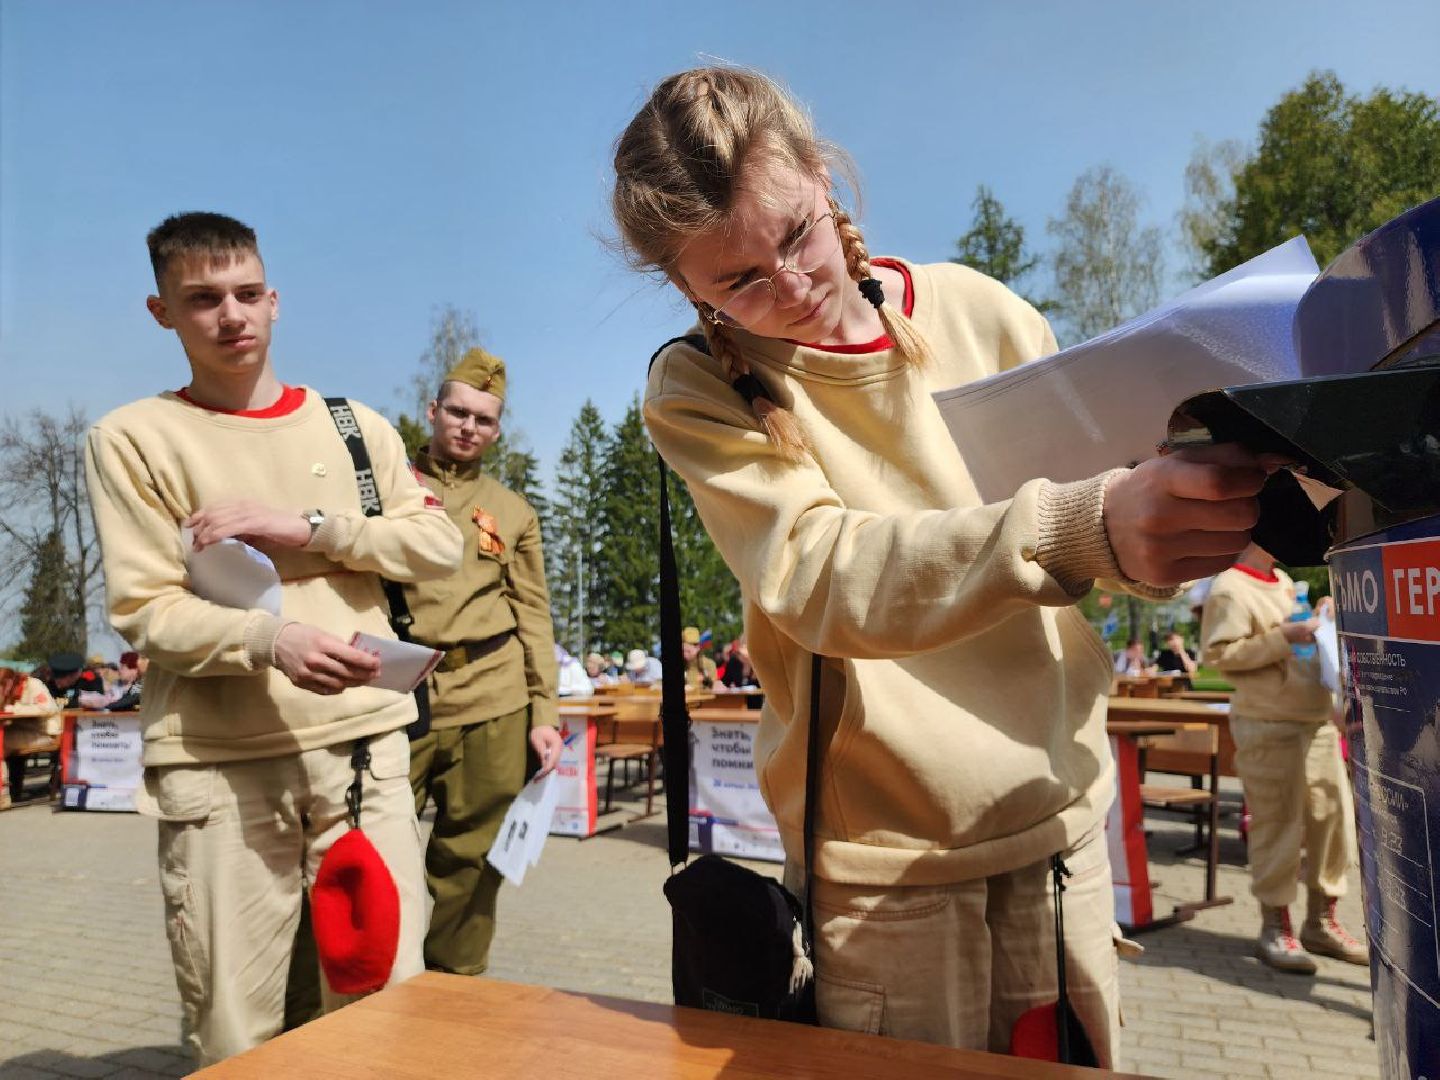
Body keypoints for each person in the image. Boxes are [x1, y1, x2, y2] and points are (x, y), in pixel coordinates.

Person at [612, 66, 1274, 1062]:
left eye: (793, 234)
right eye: (737, 280)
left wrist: (1185, 514)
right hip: (888, 885)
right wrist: (1084, 527)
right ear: (682, 286)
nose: (791, 286)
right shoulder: (697, 386)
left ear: (820, 173)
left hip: (1060, 838)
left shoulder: (978, 313)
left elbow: (1108, 551)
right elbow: (821, 573)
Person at [84, 211, 463, 1066]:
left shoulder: (353, 427)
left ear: (276, 299)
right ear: (161, 312)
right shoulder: (132, 438)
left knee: (383, 1005)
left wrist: (308, 527)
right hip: (221, 764)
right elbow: (146, 609)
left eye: (248, 293)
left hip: (365, 754)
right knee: (233, 1025)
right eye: (203, 298)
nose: (232, 316)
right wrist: (270, 640)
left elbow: (438, 544)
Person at [403, 348, 564, 977]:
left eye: (484, 420)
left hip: (494, 700)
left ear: (498, 429)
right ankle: (367, 991)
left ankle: (449, 991)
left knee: (471, 862)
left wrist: (543, 713)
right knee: (367, 845)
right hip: (399, 694)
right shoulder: (389, 488)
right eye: (458, 412)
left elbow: (533, 614)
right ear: (433, 410)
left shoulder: (513, 510)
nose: (469, 427)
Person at [1200, 543, 1365, 973]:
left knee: (1333, 822)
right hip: (1268, 724)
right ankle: (1275, 926)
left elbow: (1304, 654)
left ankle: (1320, 922)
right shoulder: (1229, 588)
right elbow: (1218, 657)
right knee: (1278, 826)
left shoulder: (1287, 583)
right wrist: (1283, 637)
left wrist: (1323, 619)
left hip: (1314, 722)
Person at [0, 666, 61, 806]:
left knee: (1, 742)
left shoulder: (33, 685)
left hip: (45, 732)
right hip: (21, 730)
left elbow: (47, 708)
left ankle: (3, 795)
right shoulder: (8, 692)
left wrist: (15, 709)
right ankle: (6, 792)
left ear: (9, 682)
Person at [682, 625, 717, 690]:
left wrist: (705, 680)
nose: (685, 654)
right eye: (683, 651)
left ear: (697, 648)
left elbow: (714, 687)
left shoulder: (709, 664)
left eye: (688, 651)